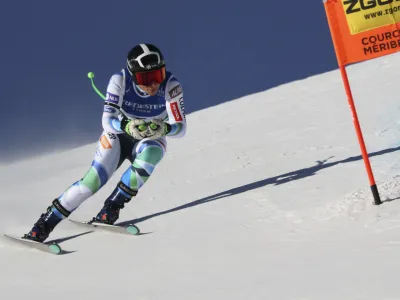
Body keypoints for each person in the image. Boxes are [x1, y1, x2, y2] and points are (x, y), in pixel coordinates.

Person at [23, 43, 187, 243]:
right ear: (133, 75)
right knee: (92, 182)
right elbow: (107, 121)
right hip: (119, 135)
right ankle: (42, 226)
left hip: (150, 136)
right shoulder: (120, 80)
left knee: (151, 155)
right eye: (146, 78)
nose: (153, 84)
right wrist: (126, 126)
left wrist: (166, 128)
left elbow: (181, 127)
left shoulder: (171, 85)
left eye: (158, 75)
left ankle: (110, 210)